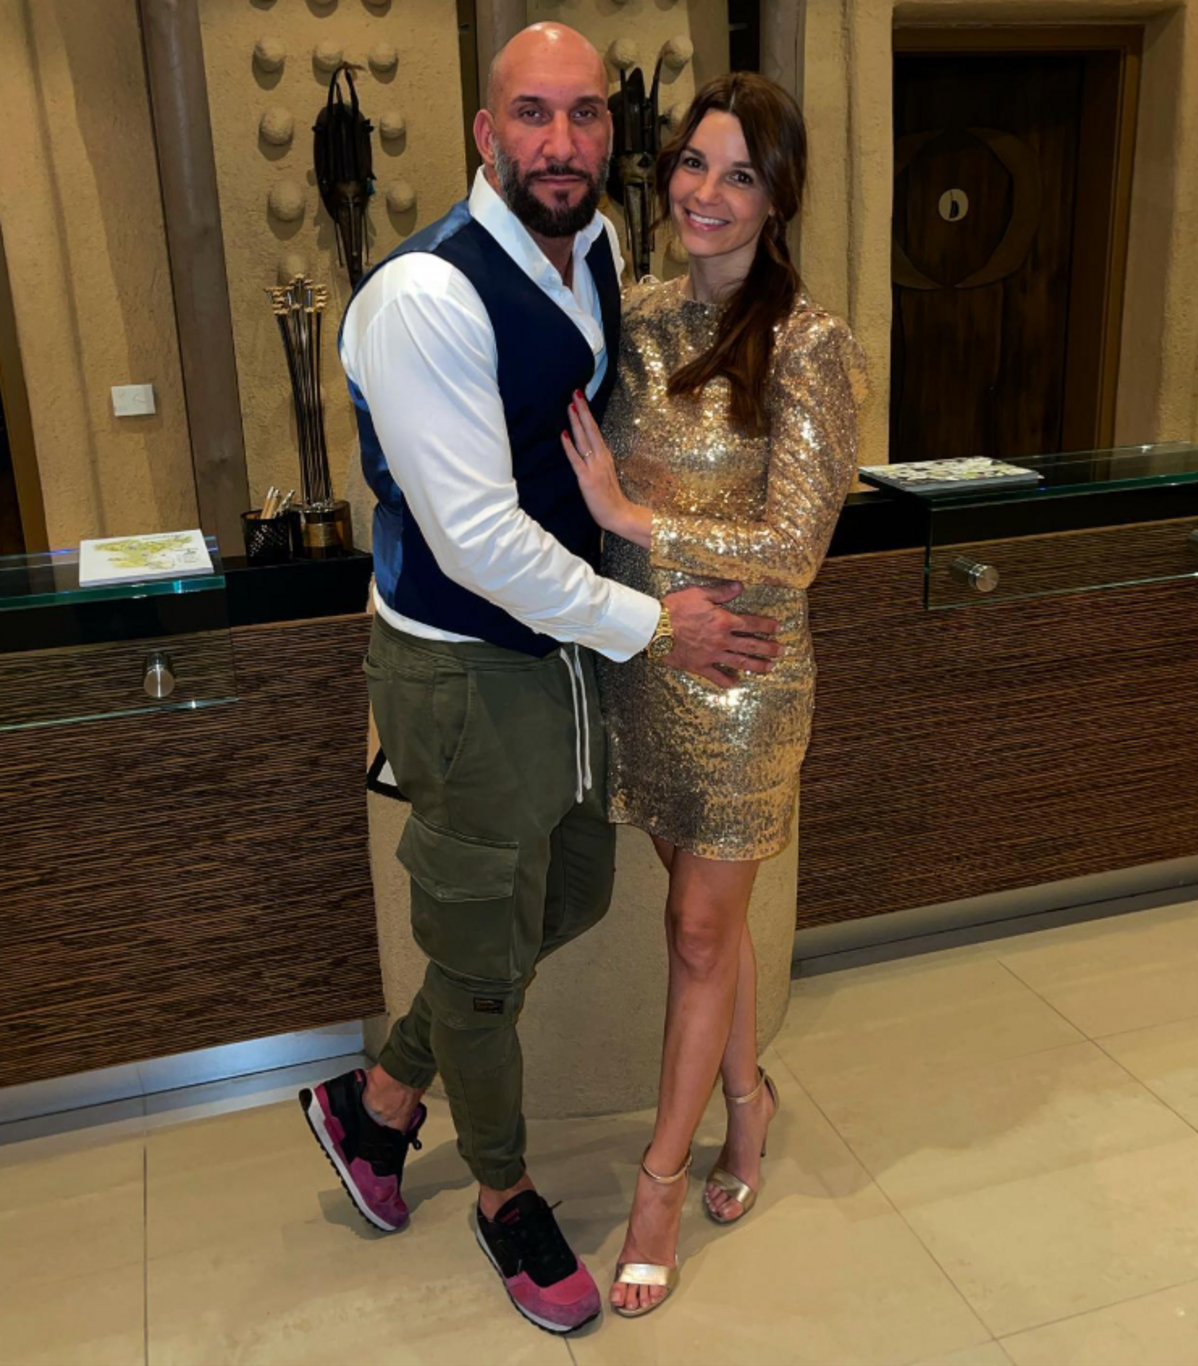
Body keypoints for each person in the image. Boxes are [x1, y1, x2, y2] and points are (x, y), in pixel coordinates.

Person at [298, 24, 781, 1336]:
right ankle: (503, 1192)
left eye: (582, 115)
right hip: (462, 666)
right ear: (483, 131)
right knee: (478, 939)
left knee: (566, 892)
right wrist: (655, 622)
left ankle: (377, 1101)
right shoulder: (423, 296)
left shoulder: (597, 248)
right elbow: (477, 539)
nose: (560, 143)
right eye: (531, 114)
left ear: (608, 134)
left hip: (562, 651)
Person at [560, 71, 865, 1317]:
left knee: (695, 929)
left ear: (777, 198)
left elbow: (794, 548)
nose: (706, 192)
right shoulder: (633, 320)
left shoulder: (808, 344)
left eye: (740, 175)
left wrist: (635, 517)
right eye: (693, 163)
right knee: (703, 923)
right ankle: (747, 1101)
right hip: (649, 665)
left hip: (744, 678)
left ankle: (658, 1185)